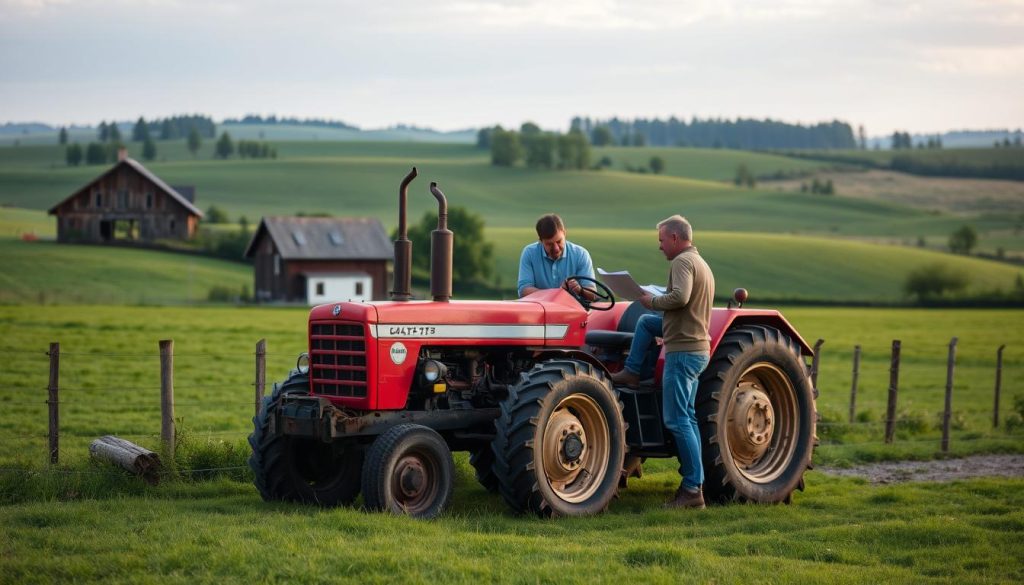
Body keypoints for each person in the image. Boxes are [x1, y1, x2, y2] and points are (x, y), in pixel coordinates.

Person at [610, 215, 715, 509]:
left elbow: (680, 297)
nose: (659, 247)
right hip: (696, 348)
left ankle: (693, 489)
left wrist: (652, 300)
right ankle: (632, 371)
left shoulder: (681, 262)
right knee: (645, 324)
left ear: (675, 239)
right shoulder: (701, 263)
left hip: (683, 352)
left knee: (677, 420)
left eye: (661, 240)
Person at [517, 213, 596, 299]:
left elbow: (593, 295)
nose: (556, 248)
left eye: (559, 241)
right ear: (540, 240)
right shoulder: (529, 253)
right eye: (549, 244)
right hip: (541, 310)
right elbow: (524, 291)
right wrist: (558, 292)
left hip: (573, 310)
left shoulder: (581, 254)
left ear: (564, 233)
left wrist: (580, 290)